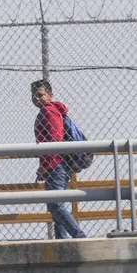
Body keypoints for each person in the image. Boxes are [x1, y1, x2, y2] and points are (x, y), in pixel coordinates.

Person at [32, 79, 88, 240]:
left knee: (55, 204)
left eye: (40, 94)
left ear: (50, 95)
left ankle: (79, 236)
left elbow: (54, 140)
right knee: (56, 205)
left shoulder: (48, 111)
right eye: (33, 95)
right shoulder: (50, 110)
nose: (36, 98)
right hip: (57, 163)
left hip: (56, 164)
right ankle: (61, 241)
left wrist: (45, 165)